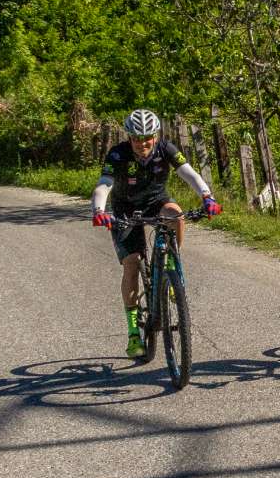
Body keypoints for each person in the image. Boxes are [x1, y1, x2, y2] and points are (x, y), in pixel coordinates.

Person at [91, 108, 221, 358]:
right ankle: (133, 334)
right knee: (132, 263)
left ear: (156, 135)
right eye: (137, 138)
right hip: (125, 209)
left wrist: (207, 197)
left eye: (148, 137)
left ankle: (172, 263)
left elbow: (188, 173)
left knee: (176, 214)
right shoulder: (118, 154)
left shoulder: (167, 149)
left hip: (156, 201)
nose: (143, 143)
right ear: (129, 137)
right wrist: (99, 209)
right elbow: (105, 184)